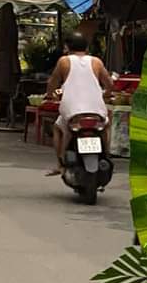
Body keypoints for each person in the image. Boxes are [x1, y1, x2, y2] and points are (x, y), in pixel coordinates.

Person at [45, 32, 114, 176]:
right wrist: (106, 94)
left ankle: (60, 164)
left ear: (67, 47)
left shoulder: (64, 61)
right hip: (96, 109)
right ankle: (106, 156)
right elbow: (109, 83)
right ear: (87, 47)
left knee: (58, 128)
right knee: (106, 126)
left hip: (72, 110)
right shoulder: (96, 61)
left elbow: (53, 82)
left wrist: (50, 95)